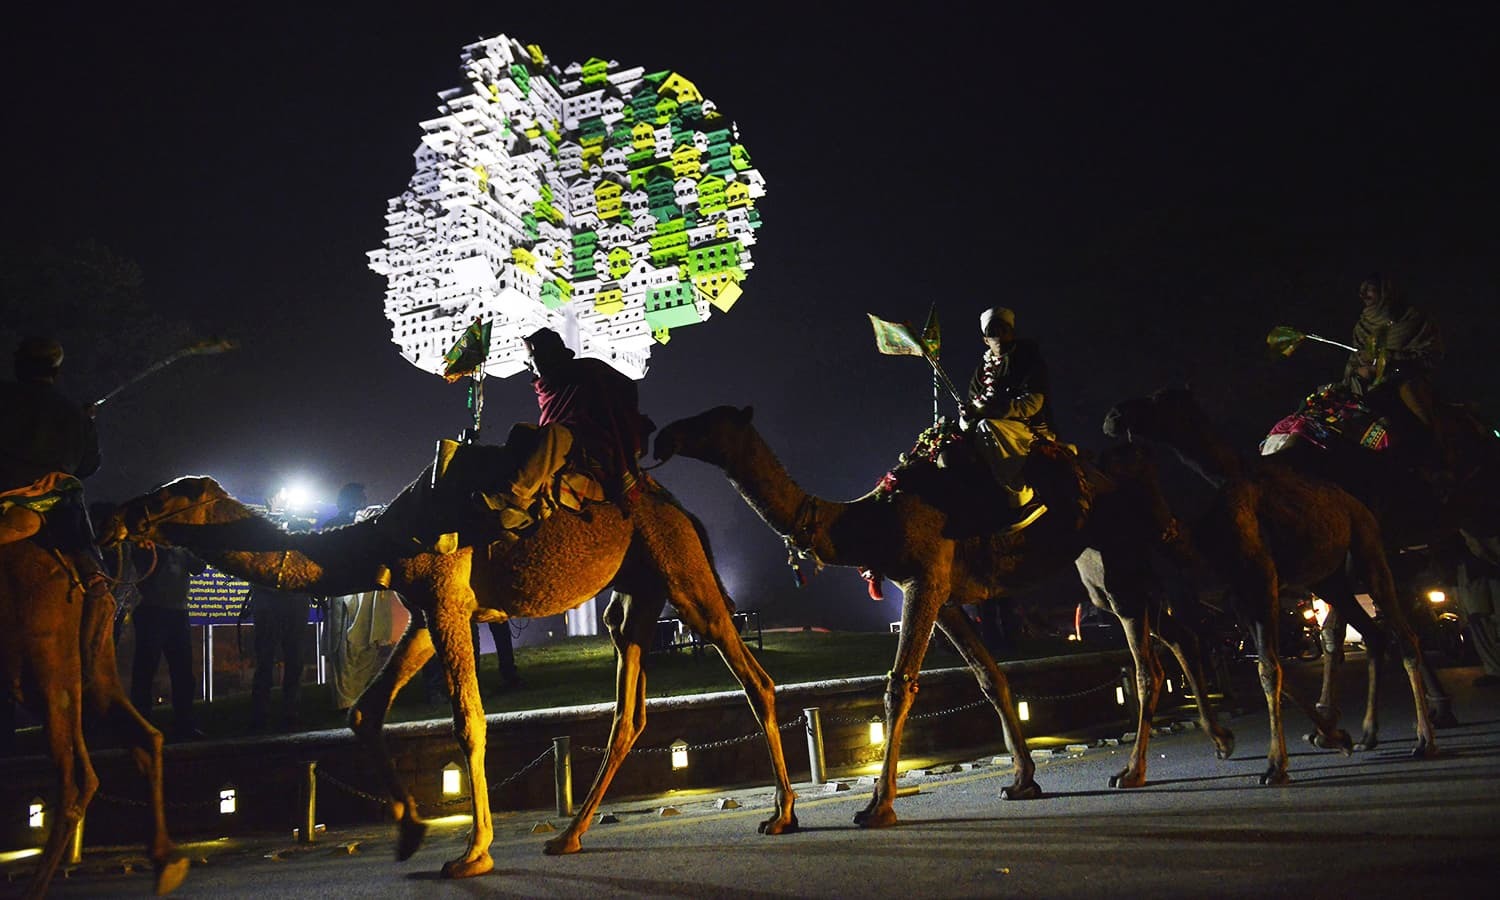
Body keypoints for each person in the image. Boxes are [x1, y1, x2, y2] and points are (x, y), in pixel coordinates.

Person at [962, 307, 1052, 531]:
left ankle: (1024, 498)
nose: (999, 335)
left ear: (1012, 332)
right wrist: (966, 417)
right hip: (988, 428)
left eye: (1004, 329)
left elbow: (1033, 403)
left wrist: (992, 411)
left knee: (986, 426)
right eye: (993, 331)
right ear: (985, 340)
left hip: (1024, 429)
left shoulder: (1028, 358)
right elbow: (973, 409)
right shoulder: (980, 373)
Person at [1340, 274, 1445, 464]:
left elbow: (1430, 354)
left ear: (1385, 291)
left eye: (1369, 288)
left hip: (1405, 376)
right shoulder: (1362, 326)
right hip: (1369, 382)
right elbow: (1354, 359)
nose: (1363, 294)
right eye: (1361, 290)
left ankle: (1433, 457)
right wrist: (1358, 372)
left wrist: (1387, 359)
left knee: (1405, 400)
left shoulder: (1413, 320)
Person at [129, 544, 208, 741]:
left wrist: (193, 547)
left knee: (183, 674)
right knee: (145, 672)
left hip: (178, 613)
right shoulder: (148, 545)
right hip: (152, 611)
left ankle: (184, 724)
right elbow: (144, 567)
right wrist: (164, 547)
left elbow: (199, 567)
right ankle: (140, 726)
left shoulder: (183, 547)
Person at [246, 582, 313, 732]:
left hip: (291, 596)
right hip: (272, 596)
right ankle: (263, 715)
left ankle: (286, 714)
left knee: (292, 659)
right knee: (267, 659)